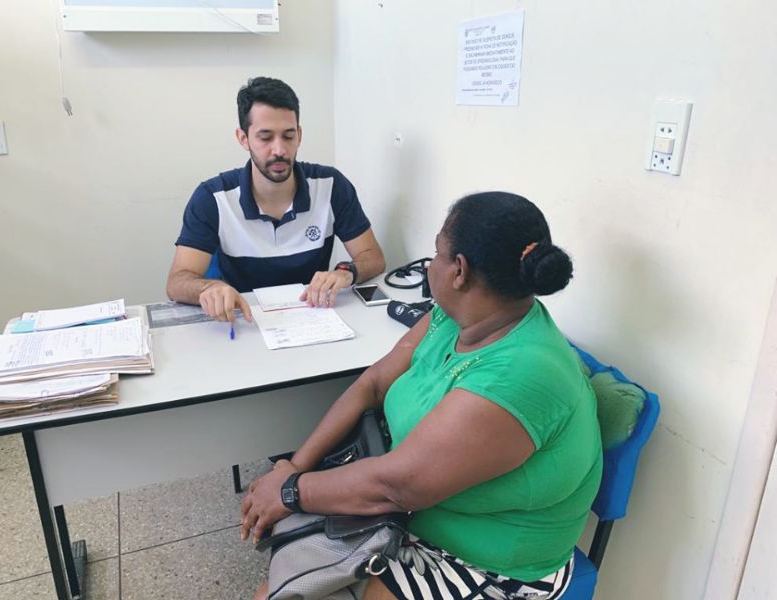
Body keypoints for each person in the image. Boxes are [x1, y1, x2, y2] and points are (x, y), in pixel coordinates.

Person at [241, 191, 603, 600]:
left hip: (488, 562)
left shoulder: (522, 374)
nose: (430, 265)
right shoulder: (456, 317)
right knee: (283, 588)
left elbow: (397, 486)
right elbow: (373, 384)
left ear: (459, 271)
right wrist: (294, 466)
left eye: (436, 253)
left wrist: (291, 491)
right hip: (406, 512)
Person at [166, 77, 385, 323]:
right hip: (243, 323)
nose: (279, 150)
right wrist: (208, 288)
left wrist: (347, 272)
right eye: (265, 137)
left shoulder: (331, 185)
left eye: (288, 136)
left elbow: (373, 257)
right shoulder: (212, 198)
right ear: (243, 138)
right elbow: (177, 282)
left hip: (313, 320)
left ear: (299, 135)